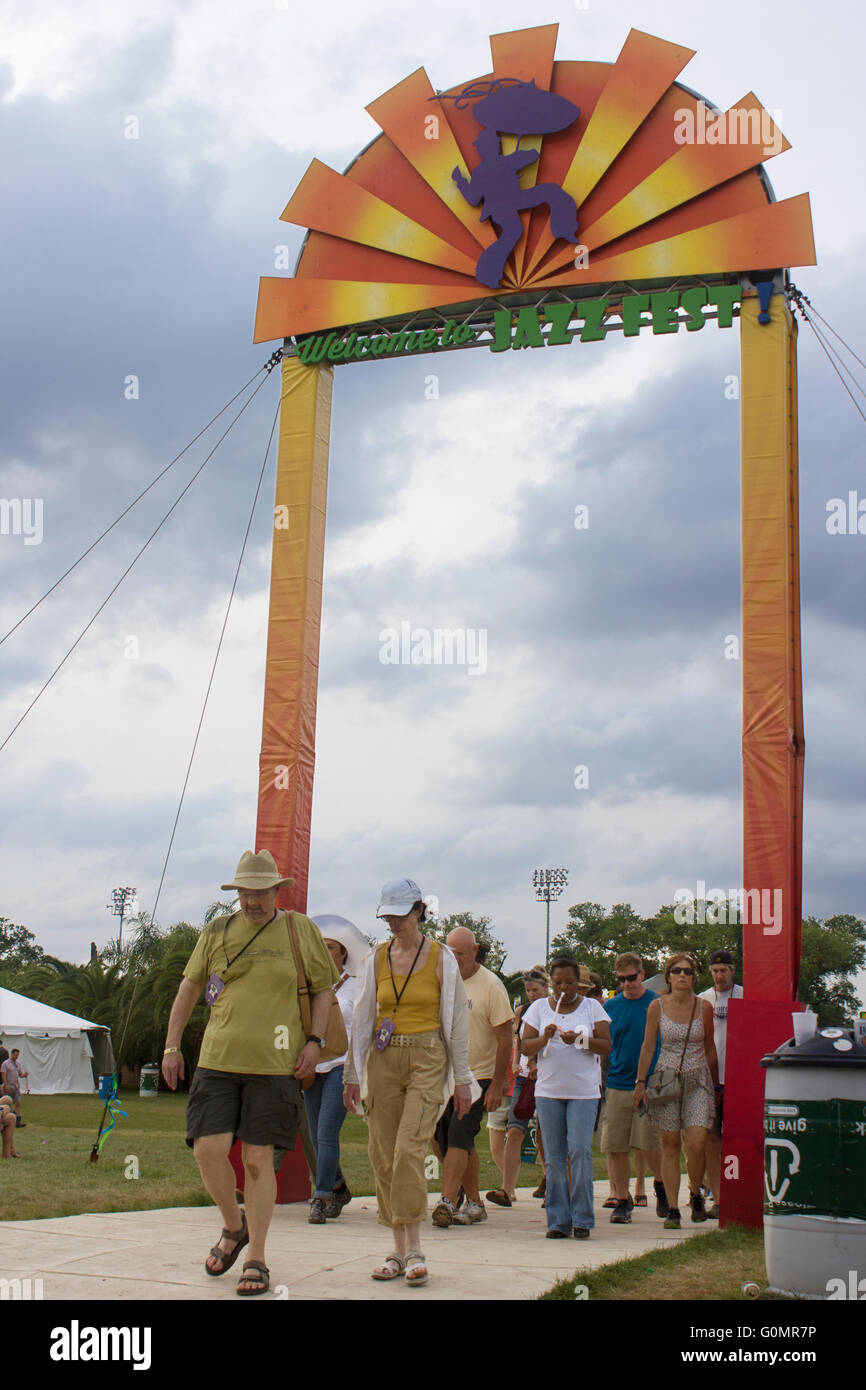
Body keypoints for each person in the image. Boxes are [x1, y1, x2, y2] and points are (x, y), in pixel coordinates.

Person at [161, 849, 338, 1295]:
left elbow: (321, 990)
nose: (252, 902)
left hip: (275, 1067)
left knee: (259, 1161)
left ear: (277, 891)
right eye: (244, 893)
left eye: (260, 893)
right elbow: (190, 986)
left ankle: (256, 1255)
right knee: (207, 1149)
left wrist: (315, 1043)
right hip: (217, 1061)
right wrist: (171, 1046)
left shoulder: (300, 930)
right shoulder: (218, 931)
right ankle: (232, 1225)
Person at [343, 878, 472, 1287]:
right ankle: (397, 1250)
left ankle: (415, 1247)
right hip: (383, 1058)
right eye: (388, 916)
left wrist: (464, 1078)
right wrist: (351, 1073)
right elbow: (362, 1020)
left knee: (408, 1149)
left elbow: (457, 1023)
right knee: (382, 1154)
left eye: (401, 914)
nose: (395, 922)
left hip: (428, 1056)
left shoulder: (442, 957)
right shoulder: (376, 959)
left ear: (419, 910)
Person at [519, 957, 611, 1239]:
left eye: (569, 983)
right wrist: (544, 1038)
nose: (563, 989)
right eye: (558, 983)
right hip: (549, 1092)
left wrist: (580, 1040)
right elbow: (525, 1046)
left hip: (583, 1092)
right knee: (555, 1157)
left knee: (580, 1151)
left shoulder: (591, 1007)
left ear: (578, 984)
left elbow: (606, 1045)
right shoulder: (538, 1009)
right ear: (552, 984)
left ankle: (582, 1217)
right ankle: (558, 1219)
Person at [431, 927, 513, 1227]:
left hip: (478, 1077)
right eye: (450, 954)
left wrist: (498, 1084)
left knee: (459, 1134)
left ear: (475, 951)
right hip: (443, 1076)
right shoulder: (441, 982)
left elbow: (506, 1038)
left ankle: (447, 1201)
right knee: (441, 1139)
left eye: (461, 954)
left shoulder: (491, 985)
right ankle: (475, 1202)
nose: (455, 960)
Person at [632, 953, 718, 1230]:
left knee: (696, 1143)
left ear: (694, 977)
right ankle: (671, 1207)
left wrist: (711, 1080)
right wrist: (640, 1082)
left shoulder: (704, 1007)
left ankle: (695, 1195)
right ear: (668, 977)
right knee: (669, 1144)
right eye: (677, 971)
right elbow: (648, 1047)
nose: (683, 976)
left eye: (688, 972)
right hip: (666, 1081)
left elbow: (709, 1047)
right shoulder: (657, 1007)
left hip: (698, 1083)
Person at [304, 914, 368, 1223]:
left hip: (341, 1065)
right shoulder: (311, 985)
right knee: (315, 1135)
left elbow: (361, 1030)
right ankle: (338, 1185)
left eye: (332, 947)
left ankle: (322, 1196)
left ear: (343, 953)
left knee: (327, 1132)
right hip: (312, 1065)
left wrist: (357, 1072)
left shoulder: (356, 986)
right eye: (321, 947)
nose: (326, 953)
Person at [601, 953, 667, 1223]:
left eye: (632, 978)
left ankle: (661, 1187)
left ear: (642, 974)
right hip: (617, 1082)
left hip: (651, 1084)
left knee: (649, 1144)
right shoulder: (611, 1007)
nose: (628, 983)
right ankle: (623, 1198)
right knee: (615, 1145)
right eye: (622, 979)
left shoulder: (657, 1003)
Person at [486, 966, 549, 1207]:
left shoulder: (552, 1010)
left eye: (536, 989)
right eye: (528, 990)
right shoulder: (522, 1011)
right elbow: (518, 1040)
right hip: (524, 1077)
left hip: (545, 1077)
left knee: (546, 1135)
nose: (532, 994)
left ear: (546, 988)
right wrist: (515, 1063)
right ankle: (507, 1189)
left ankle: (551, 1182)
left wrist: (535, 1062)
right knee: (514, 1130)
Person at [698, 949, 743, 1219]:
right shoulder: (703, 999)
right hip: (710, 1079)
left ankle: (740, 1192)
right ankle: (717, 1196)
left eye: (724, 970)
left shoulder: (745, 995)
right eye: (715, 971)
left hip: (738, 1079)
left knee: (737, 1139)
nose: (719, 975)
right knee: (711, 1139)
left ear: (732, 970)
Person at [0, 1049, 29, 1126]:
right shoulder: (5, 1064)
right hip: (8, 1086)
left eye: (17, 1055)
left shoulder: (18, 1064)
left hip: (16, 1087)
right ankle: (5, 1120)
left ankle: (18, 1121)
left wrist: (24, 1075)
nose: (16, 1057)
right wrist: (5, 1085)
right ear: (11, 1054)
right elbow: (3, 1075)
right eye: (15, 1055)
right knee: (7, 1104)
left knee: (17, 1103)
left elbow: (20, 1074)